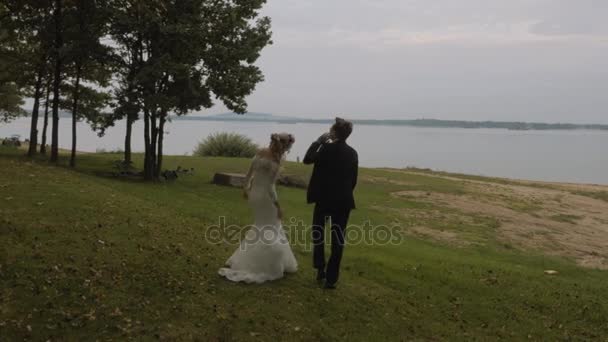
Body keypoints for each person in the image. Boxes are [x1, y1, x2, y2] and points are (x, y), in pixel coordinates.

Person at [218, 133, 298, 283]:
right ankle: (264, 263)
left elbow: (249, 173)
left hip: (254, 194)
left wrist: (245, 188)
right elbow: (270, 187)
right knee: (270, 226)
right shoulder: (275, 160)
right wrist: (278, 206)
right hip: (266, 197)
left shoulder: (260, 152)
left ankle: (247, 259)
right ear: (284, 146)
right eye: (288, 147)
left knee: (260, 225)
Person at [303, 118, 358, 289]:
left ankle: (320, 268)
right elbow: (353, 180)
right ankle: (331, 279)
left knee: (318, 234)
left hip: (324, 199)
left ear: (333, 132)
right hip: (343, 201)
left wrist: (318, 142)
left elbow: (307, 160)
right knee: (338, 240)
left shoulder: (325, 148)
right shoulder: (352, 153)